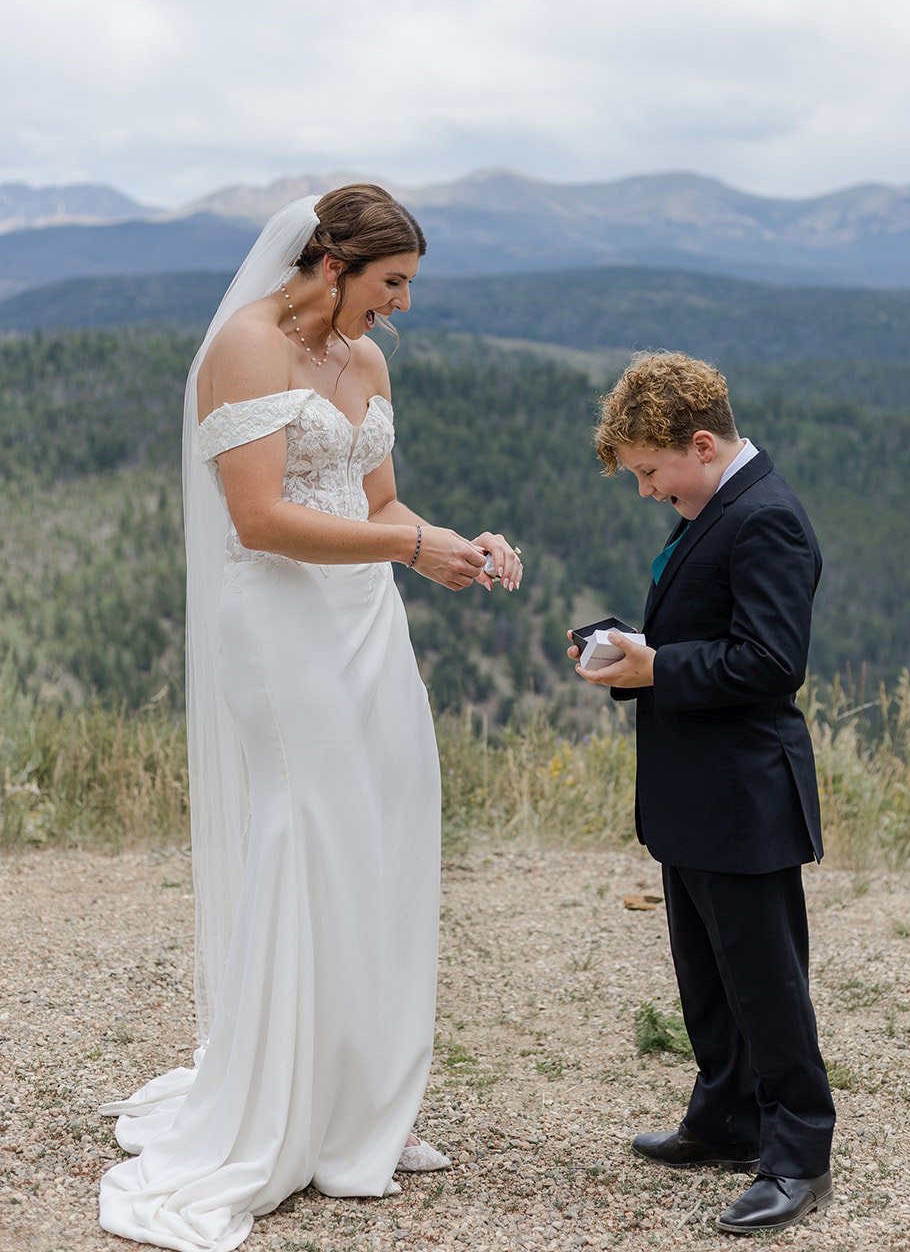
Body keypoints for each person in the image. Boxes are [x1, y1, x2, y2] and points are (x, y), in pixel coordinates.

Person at [99, 184, 522, 1251]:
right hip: (279, 623)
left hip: (365, 621)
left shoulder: (367, 361)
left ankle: (360, 1103)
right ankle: (282, 1107)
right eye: (391, 284)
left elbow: (380, 510)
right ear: (331, 267)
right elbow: (259, 518)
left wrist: (456, 547)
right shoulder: (243, 351)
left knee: (383, 830)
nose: (402, 306)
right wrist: (404, 548)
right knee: (314, 831)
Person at [569, 351, 834, 1237]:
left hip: (743, 795)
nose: (645, 489)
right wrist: (628, 653)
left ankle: (796, 1152)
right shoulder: (713, 504)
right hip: (693, 795)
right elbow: (701, 630)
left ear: (702, 443)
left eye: (650, 471)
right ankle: (725, 1116)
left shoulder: (766, 520)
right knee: (708, 974)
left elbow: (769, 662)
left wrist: (654, 667)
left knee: (765, 982)